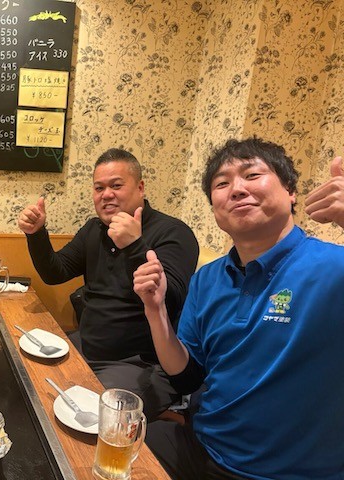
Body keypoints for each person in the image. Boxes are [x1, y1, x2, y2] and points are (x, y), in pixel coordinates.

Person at [133, 137, 344, 479]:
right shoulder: (207, 278)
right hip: (202, 447)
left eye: (252, 175)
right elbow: (188, 377)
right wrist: (155, 312)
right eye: (222, 183)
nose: (237, 189)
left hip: (288, 472)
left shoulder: (334, 267)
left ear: (290, 191)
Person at [18, 148, 199, 420]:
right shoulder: (94, 230)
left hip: (139, 364)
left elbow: (169, 300)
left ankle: (159, 420)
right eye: (99, 188)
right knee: (28, 382)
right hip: (85, 346)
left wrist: (134, 246)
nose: (106, 194)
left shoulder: (173, 233)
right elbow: (56, 272)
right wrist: (36, 234)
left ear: (140, 188)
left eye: (116, 185)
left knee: (89, 418)